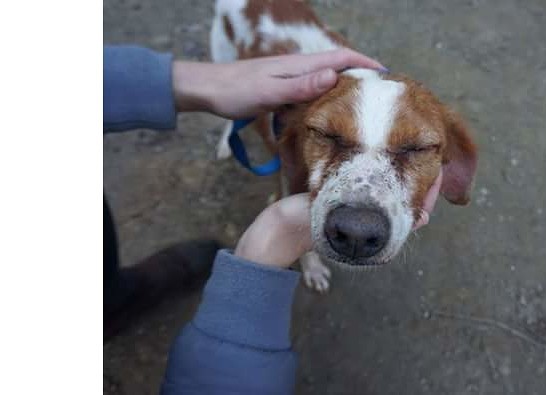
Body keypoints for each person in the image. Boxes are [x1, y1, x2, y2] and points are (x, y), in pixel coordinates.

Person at [104, 45, 441, 394]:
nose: (359, 226)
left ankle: (109, 294)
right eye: (327, 136)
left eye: (415, 149)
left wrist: (200, 82)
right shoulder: (297, 133)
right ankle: (229, 132)